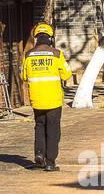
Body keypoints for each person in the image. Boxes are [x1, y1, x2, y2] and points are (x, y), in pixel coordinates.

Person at [21, 23, 72, 170]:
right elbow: (67, 74)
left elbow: (23, 75)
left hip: (37, 99)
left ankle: (39, 154)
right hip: (54, 99)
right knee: (53, 130)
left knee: (39, 126)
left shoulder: (28, 55)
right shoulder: (56, 54)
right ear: (50, 38)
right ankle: (50, 162)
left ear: (36, 38)